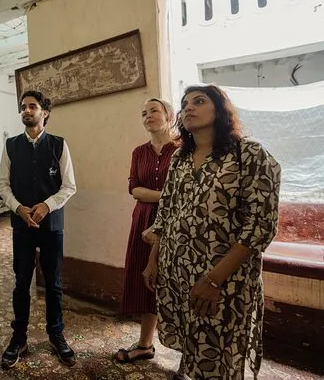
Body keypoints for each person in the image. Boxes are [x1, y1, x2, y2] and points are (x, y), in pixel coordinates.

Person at [143, 85, 281, 380]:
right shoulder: (180, 158)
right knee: (193, 339)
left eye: (199, 101)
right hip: (178, 269)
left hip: (224, 276)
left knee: (220, 347)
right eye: (185, 104)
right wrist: (154, 259)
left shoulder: (248, 153)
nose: (189, 107)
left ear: (220, 109)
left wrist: (213, 280)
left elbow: (260, 226)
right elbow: (167, 211)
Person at [0, 90, 77, 368]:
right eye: (24, 106)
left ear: (45, 113)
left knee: (53, 284)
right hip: (22, 226)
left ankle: (56, 335)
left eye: (32, 106)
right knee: (21, 283)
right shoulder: (11, 145)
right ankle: (18, 337)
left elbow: (69, 186)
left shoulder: (58, 145)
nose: (27, 110)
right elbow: (2, 185)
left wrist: (47, 205)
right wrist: (18, 208)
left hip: (51, 225)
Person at [114, 98, 178, 363]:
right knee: (147, 280)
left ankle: (189, 354)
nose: (148, 115)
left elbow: (185, 190)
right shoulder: (139, 152)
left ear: (169, 115)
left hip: (176, 219)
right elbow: (134, 189)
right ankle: (145, 344)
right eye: (144, 113)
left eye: (154, 110)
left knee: (175, 279)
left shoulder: (183, 149)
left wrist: (164, 198)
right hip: (144, 219)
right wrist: (167, 195)